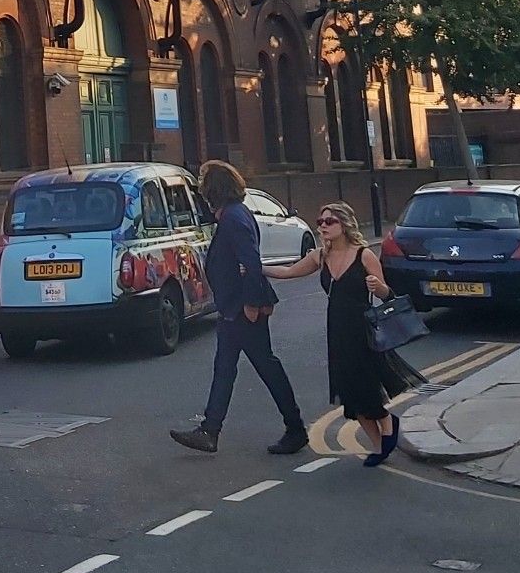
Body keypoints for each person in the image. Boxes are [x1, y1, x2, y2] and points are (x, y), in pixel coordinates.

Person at [266, 202, 423, 467]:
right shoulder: (320, 256)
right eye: (321, 221)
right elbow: (289, 271)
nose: (323, 226)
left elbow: (388, 296)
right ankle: (378, 447)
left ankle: (386, 423)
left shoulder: (364, 255)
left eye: (330, 222)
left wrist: (379, 287)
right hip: (336, 330)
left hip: (361, 331)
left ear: (344, 225)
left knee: (366, 388)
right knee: (349, 393)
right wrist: (256, 268)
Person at [170, 160, 307, 456]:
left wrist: (251, 304)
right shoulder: (232, 216)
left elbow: (251, 263)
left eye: (204, 184)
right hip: (234, 309)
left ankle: (295, 429)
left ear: (214, 189)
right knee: (228, 368)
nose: (201, 191)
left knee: (264, 366)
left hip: (242, 310)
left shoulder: (234, 218)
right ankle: (210, 431)